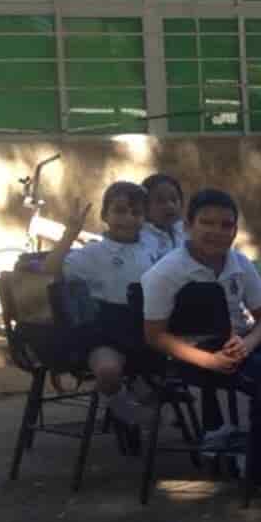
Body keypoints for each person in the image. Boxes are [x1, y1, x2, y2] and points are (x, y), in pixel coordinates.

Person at [142, 189, 261, 492]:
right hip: (193, 353)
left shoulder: (239, 263)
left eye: (226, 225)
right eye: (207, 223)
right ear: (188, 226)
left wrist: (249, 344)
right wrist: (209, 361)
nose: (217, 232)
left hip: (240, 342)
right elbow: (154, 335)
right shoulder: (165, 273)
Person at [44, 181, 163, 427]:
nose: (128, 219)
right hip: (105, 334)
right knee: (108, 372)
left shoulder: (153, 245)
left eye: (136, 212)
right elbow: (50, 270)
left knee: (171, 373)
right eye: (120, 211)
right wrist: (70, 234)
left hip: (148, 332)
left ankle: (144, 391)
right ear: (104, 215)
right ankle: (123, 408)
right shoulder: (92, 253)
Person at [140, 172, 187, 255]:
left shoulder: (187, 232)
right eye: (160, 201)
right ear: (144, 206)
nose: (170, 206)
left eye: (174, 200)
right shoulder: (140, 237)